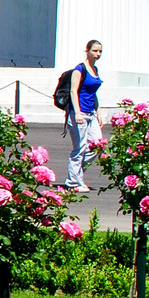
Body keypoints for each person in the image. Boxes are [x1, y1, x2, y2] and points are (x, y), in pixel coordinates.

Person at [64, 39, 105, 191]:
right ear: (87, 51)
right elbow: (74, 91)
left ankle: (76, 173)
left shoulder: (95, 70)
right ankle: (74, 182)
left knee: (98, 145)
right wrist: (77, 112)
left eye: (100, 51)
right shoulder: (79, 69)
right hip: (79, 113)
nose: (98, 54)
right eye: (95, 50)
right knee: (79, 148)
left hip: (91, 113)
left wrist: (99, 111)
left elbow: (93, 93)